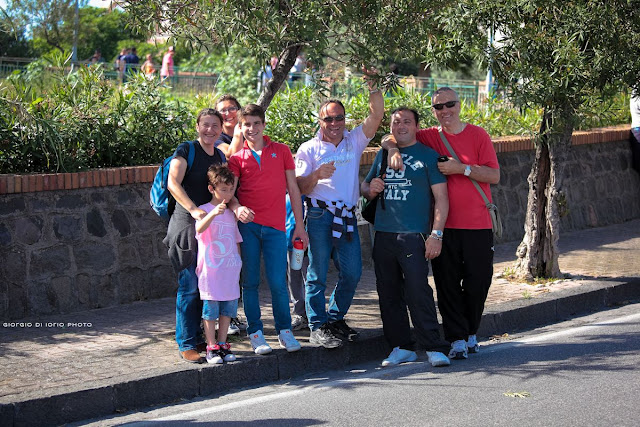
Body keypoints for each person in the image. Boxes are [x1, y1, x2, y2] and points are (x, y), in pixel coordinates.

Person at [382, 87, 500, 359]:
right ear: (433, 111)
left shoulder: (478, 135)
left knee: (478, 280)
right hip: (443, 225)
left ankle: (471, 331)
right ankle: (457, 337)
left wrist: (463, 168)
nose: (445, 111)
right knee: (446, 284)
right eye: (438, 107)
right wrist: (390, 149)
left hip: (477, 222)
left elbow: (494, 175)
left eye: (449, 105)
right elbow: (396, 134)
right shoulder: (428, 137)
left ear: (459, 105)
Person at [295, 70, 384, 348]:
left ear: (345, 120)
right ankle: (317, 325)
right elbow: (299, 187)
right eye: (328, 118)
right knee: (317, 274)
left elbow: (376, 116)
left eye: (339, 118)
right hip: (320, 215)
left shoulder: (353, 140)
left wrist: (373, 86)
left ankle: (334, 318)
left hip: (346, 216)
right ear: (320, 121)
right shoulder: (308, 149)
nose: (334, 123)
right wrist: (316, 175)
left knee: (353, 272)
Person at [361, 107, 451, 367]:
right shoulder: (383, 153)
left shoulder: (428, 157)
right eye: (396, 122)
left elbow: (442, 200)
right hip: (385, 234)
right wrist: (371, 189)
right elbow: (366, 187)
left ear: (416, 126)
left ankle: (434, 346)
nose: (401, 126)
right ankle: (401, 347)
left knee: (418, 291)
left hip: (415, 235)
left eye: (407, 122)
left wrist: (436, 235)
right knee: (388, 293)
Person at [164, 108, 254, 363]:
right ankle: (187, 342)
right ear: (197, 126)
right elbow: (173, 183)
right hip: (187, 220)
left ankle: (206, 339)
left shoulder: (219, 155)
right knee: (190, 285)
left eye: (215, 125)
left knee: (208, 288)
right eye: (206, 125)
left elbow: (227, 192)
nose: (210, 130)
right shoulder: (186, 150)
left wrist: (236, 208)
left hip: (212, 223)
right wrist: (193, 210)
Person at [228, 104, 309, 355]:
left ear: (263, 125)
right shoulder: (236, 159)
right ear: (240, 128)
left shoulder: (282, 151)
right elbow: (228, 195)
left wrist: (300, 226)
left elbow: (293, 189)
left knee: (277, 282)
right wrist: (237, 207)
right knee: (250, 282)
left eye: (256, 123)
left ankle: (284, 331)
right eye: (246, 124)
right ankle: (256, 333)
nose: (251, 128)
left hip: (277, 228)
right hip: (249, 228)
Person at [195, 164, 243, 364]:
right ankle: (211, 347)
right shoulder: (203, 210)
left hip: (230, 271)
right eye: (223, 189)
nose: (228, 194)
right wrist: (214, 213)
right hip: (211, 272)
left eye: (231, 189)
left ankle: (223, 345)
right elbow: (199, 229)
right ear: (211, 189)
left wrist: (238, 263)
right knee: (210, 311)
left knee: (228, 310)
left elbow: (236, 240)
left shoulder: (232, 213)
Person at [285, 194, 309, 330]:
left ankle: (312, 312)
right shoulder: (286, 195)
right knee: (294, 276)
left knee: (309, 277)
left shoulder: (309, 194)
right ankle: (300, 313)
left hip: (308, 244)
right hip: (292, 243)